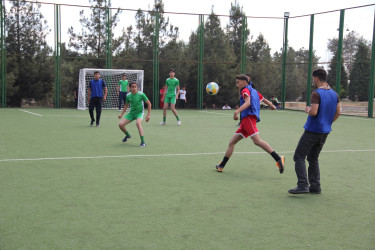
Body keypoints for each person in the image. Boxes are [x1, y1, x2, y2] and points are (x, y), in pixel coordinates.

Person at [216, 74, 285, 174]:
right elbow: (264, 99)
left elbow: (247, 103)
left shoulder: (244, 90)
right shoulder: (254, 91)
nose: (236, 84)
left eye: (238, 82)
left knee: (257, 141)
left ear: (244, 82)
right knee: (232, 142)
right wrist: (272, 105)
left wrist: (236, 112)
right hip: (245, 121)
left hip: (248, 119)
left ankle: (279, 159)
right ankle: (221, 165)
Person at [288, 68, 340, 194]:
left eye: (313, 79)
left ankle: (302, 184)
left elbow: (314, 112)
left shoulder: (316, 94)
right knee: (313, 157)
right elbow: (338, 112)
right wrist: (327, 122)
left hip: (313, 130)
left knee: (299, 156)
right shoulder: (335, 94)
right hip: (325, 131)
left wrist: (308, 110)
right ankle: (315, 186)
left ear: (316, 78)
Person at [118, 82, 151, 147]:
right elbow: (126, 105)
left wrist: (148, 115)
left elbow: (149, 104)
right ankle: (128, 135)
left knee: (138, 123)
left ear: (137, 87)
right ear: (130, 88)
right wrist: (121, 114)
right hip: (131, 113)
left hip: (139, 113)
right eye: (132, 87)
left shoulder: (141, 94)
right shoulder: (128, 95)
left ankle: (143, 142)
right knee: (120, 124)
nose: (134, 88)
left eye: (135, 87)